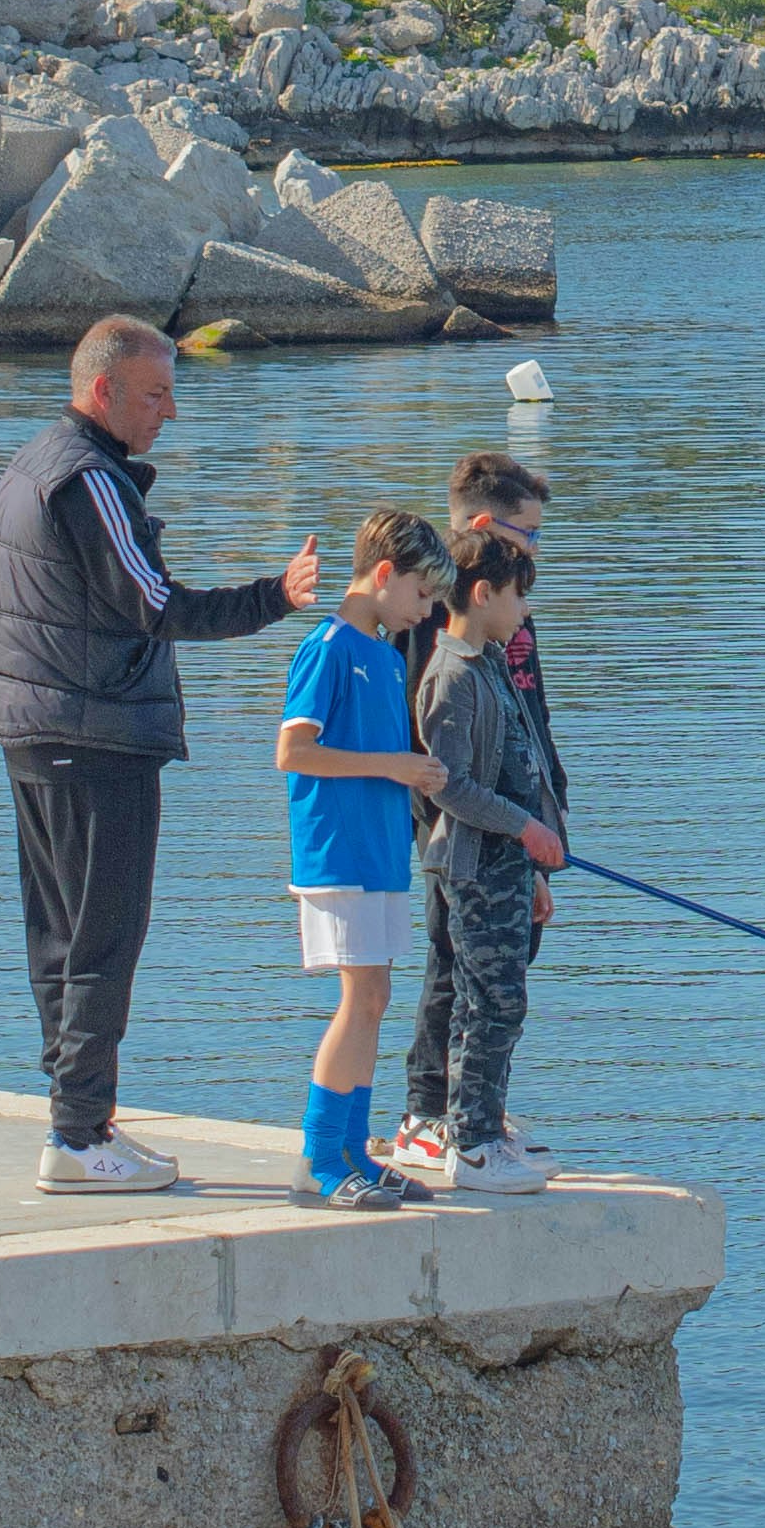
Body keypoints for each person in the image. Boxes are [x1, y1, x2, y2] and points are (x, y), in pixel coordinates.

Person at [0, 315, 297, 1195]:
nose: (171, 412)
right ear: (102, 390)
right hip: (95, 734)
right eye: (156, 394)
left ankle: (82, 1121)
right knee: (103, 937)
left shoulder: (31, 462)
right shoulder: (91, 479)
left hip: (35, 729)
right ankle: (78, 1136)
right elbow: (155, 603)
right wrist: (277, 596)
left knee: (59, 931)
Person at [273, 511, 461, 1202]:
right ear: (384, 576)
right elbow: (293, 751)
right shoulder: (327, 648)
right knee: (358, 1002)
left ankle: (355, 1147)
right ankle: (321, 1160)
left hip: (381, 854)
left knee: (376, 998)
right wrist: (394, 764)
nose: (424, 612)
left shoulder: (384, 656)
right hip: (337, 853)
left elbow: (388, 762)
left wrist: (413, 771)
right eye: (418, 595)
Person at [390, 451, 565, 1179]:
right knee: (457, 975)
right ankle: (433, 1114)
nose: (536, 554)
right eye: (529, 536)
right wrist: (504, 826)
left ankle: (477, 1110)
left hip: (516, 830)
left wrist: (542, 819)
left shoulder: (498, 626)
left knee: (499, 979)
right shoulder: (435, 616)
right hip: (462, 834)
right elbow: (430, 750)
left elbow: (525, 718)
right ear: (489, 532)